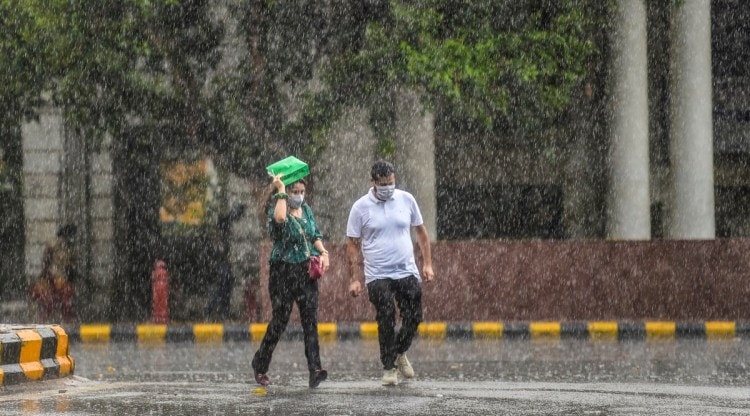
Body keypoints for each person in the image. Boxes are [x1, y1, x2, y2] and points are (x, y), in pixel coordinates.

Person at [346, 160, 435, 386]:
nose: (388, 187)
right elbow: (352, 244)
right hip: (378, 275)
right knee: (385, 317)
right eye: (383, 184)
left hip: (406, 270)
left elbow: (421, 233)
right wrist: (354, 278)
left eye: (391, 182)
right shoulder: (360, 207)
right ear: (373, 182)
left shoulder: (406, 199)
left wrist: (427, 264)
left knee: (414, 317)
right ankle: (389, 367)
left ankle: (399, 351)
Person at [251, 174, 330, 388]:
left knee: (310, 321)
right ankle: (260, 364)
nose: (299, 196)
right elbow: (279, 220)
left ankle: (315, 369)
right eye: (295, 192)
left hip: (305, 271)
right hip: (282, 272)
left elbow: (314, 234)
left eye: (302, 192)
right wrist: (281, 191)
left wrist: (323, 252)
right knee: (280, 320)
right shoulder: (278, 208)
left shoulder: (307, 210)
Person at [29, 224, 79, 322]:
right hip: (54, 278)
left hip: (60, 279)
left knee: (61, 301)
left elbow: (71, 264)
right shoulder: (55, 245)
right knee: (53, 302)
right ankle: (45, 321)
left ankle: (59, 321)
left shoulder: (68, 247)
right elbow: (46, 261)